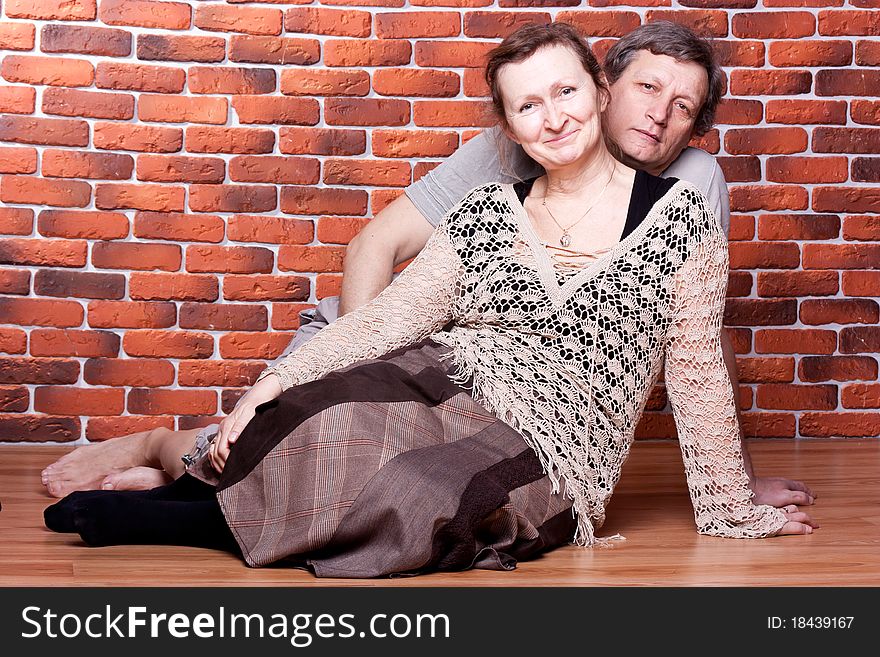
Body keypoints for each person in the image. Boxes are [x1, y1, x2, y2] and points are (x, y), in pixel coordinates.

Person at [45, 24, 816, 578]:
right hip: (440, 362)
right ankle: (187, 473)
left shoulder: (683, 213)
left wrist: (728, 498)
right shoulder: (488, 204)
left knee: (420, 489)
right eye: (528, 106)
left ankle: (196, 520)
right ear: (513, 122)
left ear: (593, 89)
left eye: (565, 93)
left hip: (553, 434)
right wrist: (279, 381)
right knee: (318, 415)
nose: (553, 117)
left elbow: (697, 365)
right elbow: (390, 313)